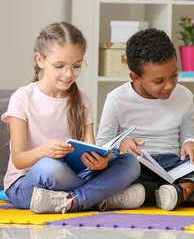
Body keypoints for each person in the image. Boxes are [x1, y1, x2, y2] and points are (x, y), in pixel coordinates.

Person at [96, 28, 194, 211]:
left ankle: (183, 189)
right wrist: (120, 144)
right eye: (159, 81)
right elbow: (102, 147)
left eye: (174, 75)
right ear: (135, 77)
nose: (169, 86)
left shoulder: (184, 95)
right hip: (135, 168)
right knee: (114, 170)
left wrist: (191, 143)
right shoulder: (116, 98)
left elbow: (189, 136)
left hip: (174, 165)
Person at [3, 22, 143, 214]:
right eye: (59, 66)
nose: (69, 74)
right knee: (51, 167)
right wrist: (45, 150)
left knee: (130, 163)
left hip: (73, 177)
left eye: (76, 66)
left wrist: (100, 163)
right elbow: (19, 160)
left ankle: (72, 201)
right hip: (27, 185)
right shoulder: (23, 98)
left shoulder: (83, 101)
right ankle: (99, 196)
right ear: (40, 60)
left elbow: (92, 150)